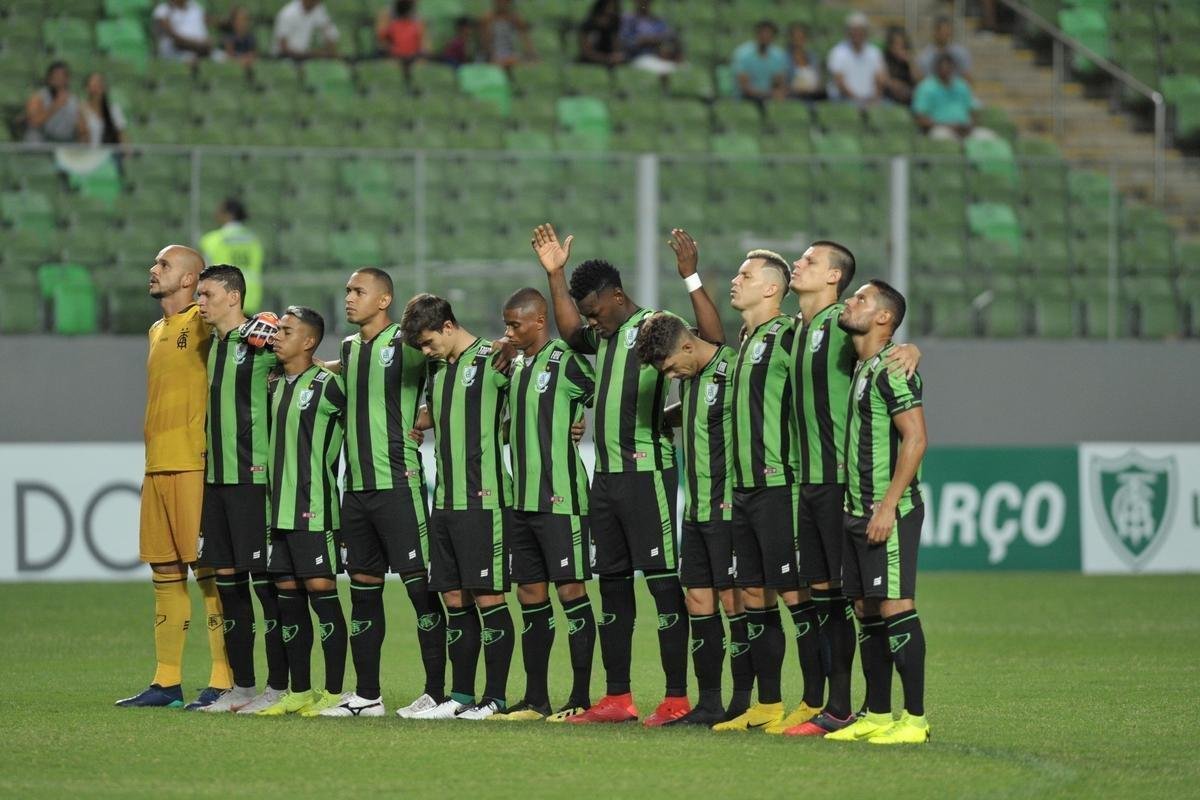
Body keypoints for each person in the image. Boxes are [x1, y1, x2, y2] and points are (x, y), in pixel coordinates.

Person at [532, 222, 724, 727]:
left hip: (648, 476)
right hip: (608, 480)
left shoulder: (656, 326)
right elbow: (571, 332)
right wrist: (555, 275)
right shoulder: (601, 336)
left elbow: (712, 344)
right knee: (612, 586)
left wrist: (691, 277)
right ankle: (617, 697)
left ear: (616, 297)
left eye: (595, 312)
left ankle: (678, 696)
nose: (590, 323)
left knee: (663, 584)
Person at [781, 242, 919, 737]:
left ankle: (855, 708)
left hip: (844, 483)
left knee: (853, 600)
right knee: (825, 598)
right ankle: (838, 705)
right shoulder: (795, 330)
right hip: (808, 482)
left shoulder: (845, 321)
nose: (798, 264)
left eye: (810, 261)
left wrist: (913, 347)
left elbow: (889, 346)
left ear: (835, 278)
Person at [315, 269, 448, 719]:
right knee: (363, 594)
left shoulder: (409, 343)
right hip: (357, 489)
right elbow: (334, 373)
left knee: (421, 590)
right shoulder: (351, 350)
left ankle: (437, 692)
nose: (349, 298)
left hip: (400, 484)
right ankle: (367, 695)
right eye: (348, 291)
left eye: (358, 291)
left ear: (385, 298)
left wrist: (425, 419)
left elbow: (456, 364)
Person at [115, 245, 232, 710]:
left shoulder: (201, 323)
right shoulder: (157, 328)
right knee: (164, 571)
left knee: (208, 573)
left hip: (193, 464)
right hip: (157, 464)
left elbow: (233, 318)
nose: (153, 269)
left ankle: (224, 679)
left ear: (189, 279)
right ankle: (166, 683)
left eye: (163, 265)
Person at [709, 250, 819, 735]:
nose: (735, 281)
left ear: (772, 289)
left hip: (780, 486)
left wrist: (909, 349)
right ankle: (768, 703)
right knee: (752, 592)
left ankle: (815, 701)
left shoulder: (791, 334)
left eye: (746, 275)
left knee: (796, 593)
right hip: (744, 489)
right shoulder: (747, 338)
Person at [634, 277, 751, 728]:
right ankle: (709, 704)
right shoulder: (693, 381)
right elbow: (693, 413)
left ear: (687, 346)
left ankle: (745, 702)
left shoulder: (733, 371)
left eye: (668, 368)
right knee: (698, 600)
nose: (669, 377)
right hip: (696, 509)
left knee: (733, 602)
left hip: (727, 508)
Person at [401, 294, 516, 720]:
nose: (427, 352)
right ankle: (461, 697)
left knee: (488, 596)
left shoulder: (493, 358)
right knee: (453, 595)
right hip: (445, 498)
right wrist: (423, 421)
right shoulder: (436, 369)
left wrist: (574, 422)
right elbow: (444, 407)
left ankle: (496, 698)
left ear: (448, 326)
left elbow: (533, 400)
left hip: (483, 499)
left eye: (430, 342)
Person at [825, 280, 930, 745]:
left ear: (884, 318)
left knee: (895, 606)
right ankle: (879, 714)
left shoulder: (892, 368)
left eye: (861, 299)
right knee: (865, 609)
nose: (851, 301)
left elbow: (917, 438)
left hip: (888, 509)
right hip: (855, 510)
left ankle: (916, 719)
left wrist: (888, 505)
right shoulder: (865, 365)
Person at [489, 287, 598, 722]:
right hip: (522, 499)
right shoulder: (514, 366)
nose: (508, 332)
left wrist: (582, 415)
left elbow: (599, 395)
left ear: (538, 321)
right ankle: (536, 699)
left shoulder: (565, 360)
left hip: (562, 497)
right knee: (529, 593)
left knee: (571, 591)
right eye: (506, 324)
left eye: (515, 324)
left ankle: (581, 698)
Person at [191, 265, 290, 714]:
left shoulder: (263, 338)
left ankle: (281, 687)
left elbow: (309, 359)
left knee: (267, 588)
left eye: (207, 294)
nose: (200, 302)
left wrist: (275, 327)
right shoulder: (214, 343)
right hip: (218, 481)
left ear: (233, 296)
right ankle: (243, 687)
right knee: (229, 587)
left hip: (255, 479)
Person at [255, 306, 350, 717]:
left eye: (287, 331)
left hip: (315, 510)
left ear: (309, 341)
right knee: (287, 600)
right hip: (277, 513)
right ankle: (300, 690)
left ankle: (334, 691)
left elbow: (371, 416)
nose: (277, 336)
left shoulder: (331, 386)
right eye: (277, 331)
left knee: (322, 596)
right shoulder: (272, 384)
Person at [199, 199, 264, 315]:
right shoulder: (254, 241)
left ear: (228, 214)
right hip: (250, 298)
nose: (216, 214)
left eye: (220, 211)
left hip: (223, 297)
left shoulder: (212, 240)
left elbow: (204, 272)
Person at [912, 54, 996, 141]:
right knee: (943, 137)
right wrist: (947, 126)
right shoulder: (926, 87)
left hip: (965, 129)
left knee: (989, 137)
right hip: (939, 128)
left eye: (949, 68)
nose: (946, 71)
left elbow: (973, 110)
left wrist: (970, 126)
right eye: (942, 68)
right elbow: (920, 117)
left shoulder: (962, 85)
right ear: (936, 69)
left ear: (953, 69)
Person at [826, 11, 885, 105]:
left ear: (866, 32)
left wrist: (875, 99)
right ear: (848, 32)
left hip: (870, 99)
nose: (857, 33)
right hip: (844, 100)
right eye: (853, 30)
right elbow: (839, 82)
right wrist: (857, 100)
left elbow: (879, 79)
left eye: (860, 30)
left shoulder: (874, 52)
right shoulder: (837, 52)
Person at [23, 61, 85, 144]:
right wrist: (55, 106)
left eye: (62, 76)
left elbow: (81, 127)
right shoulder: (37, 98)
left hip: (65, 143)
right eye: (56, 76)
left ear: (68, 79)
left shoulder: (74, 100)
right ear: (49, 78)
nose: (59, 79)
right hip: (40, 143)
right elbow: (33, 122)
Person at [731, 21, 790, 102]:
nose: (765, 37)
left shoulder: (778, 55)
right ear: (757, 34)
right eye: (763, 33)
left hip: (770, 97)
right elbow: (745, 86)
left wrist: (777, 93)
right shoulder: (742, 53)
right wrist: (767, 94)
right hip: (747, 98)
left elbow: (779, 82)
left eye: (769, 34)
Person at [273, 0, 340, 59]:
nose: (318, 2)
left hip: (305, 58)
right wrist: (314, 54)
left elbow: (328, 29)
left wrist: (330, 50)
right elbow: (283, 48)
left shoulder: (318, 9)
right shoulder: (287, 14)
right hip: (283, 58)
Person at [481, 0, 536, 67]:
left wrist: (531, 54)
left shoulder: (515, 18)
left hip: (513, 54)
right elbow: (486, 45)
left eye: (505, 1)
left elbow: (525, 40)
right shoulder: (487, 19)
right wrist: (491, 57)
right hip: (496, 55)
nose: (502, 3)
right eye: (499, 1)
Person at [918, 15, 972, 82]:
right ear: (935, 32)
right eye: (942, 31)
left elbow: (967, 77)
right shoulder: (925, 56)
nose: (945, 34)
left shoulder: (961, 53)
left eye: (947, 30)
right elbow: (923, 81)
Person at [81, 72, 128, 147]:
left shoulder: (114, 110)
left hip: (108, 155)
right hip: (87, 154)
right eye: (94, 85)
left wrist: (126, 151)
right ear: (87, 88)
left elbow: (121, 136)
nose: (97, 88)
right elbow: (82, 138)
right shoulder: (81, 109)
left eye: (100, 84)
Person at [578, 0, 623, 66]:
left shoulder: (613, 25)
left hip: (609, 60)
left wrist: (616, 56)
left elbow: (616, 47)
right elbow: (586, 52)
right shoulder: (588, 25)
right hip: (589, 62)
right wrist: (606, 58)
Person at [786, 22, 823, 101]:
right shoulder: (785, 58)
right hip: (793, 97)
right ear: (791, 38)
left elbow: (818, 80)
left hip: (813, 96)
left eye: (801, 37)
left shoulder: (813, 57)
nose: (798, 40)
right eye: (795, 37)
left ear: (805, 39)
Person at [882, 25, 918, 105]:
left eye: (902, 44)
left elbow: (917, 80)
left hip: (909, 94)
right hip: (890, 95)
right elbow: (884, 79)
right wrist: (896, 85)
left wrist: (910, 62)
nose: (899, 47)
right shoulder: (885, 58)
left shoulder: (909, 59)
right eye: (896, 44)